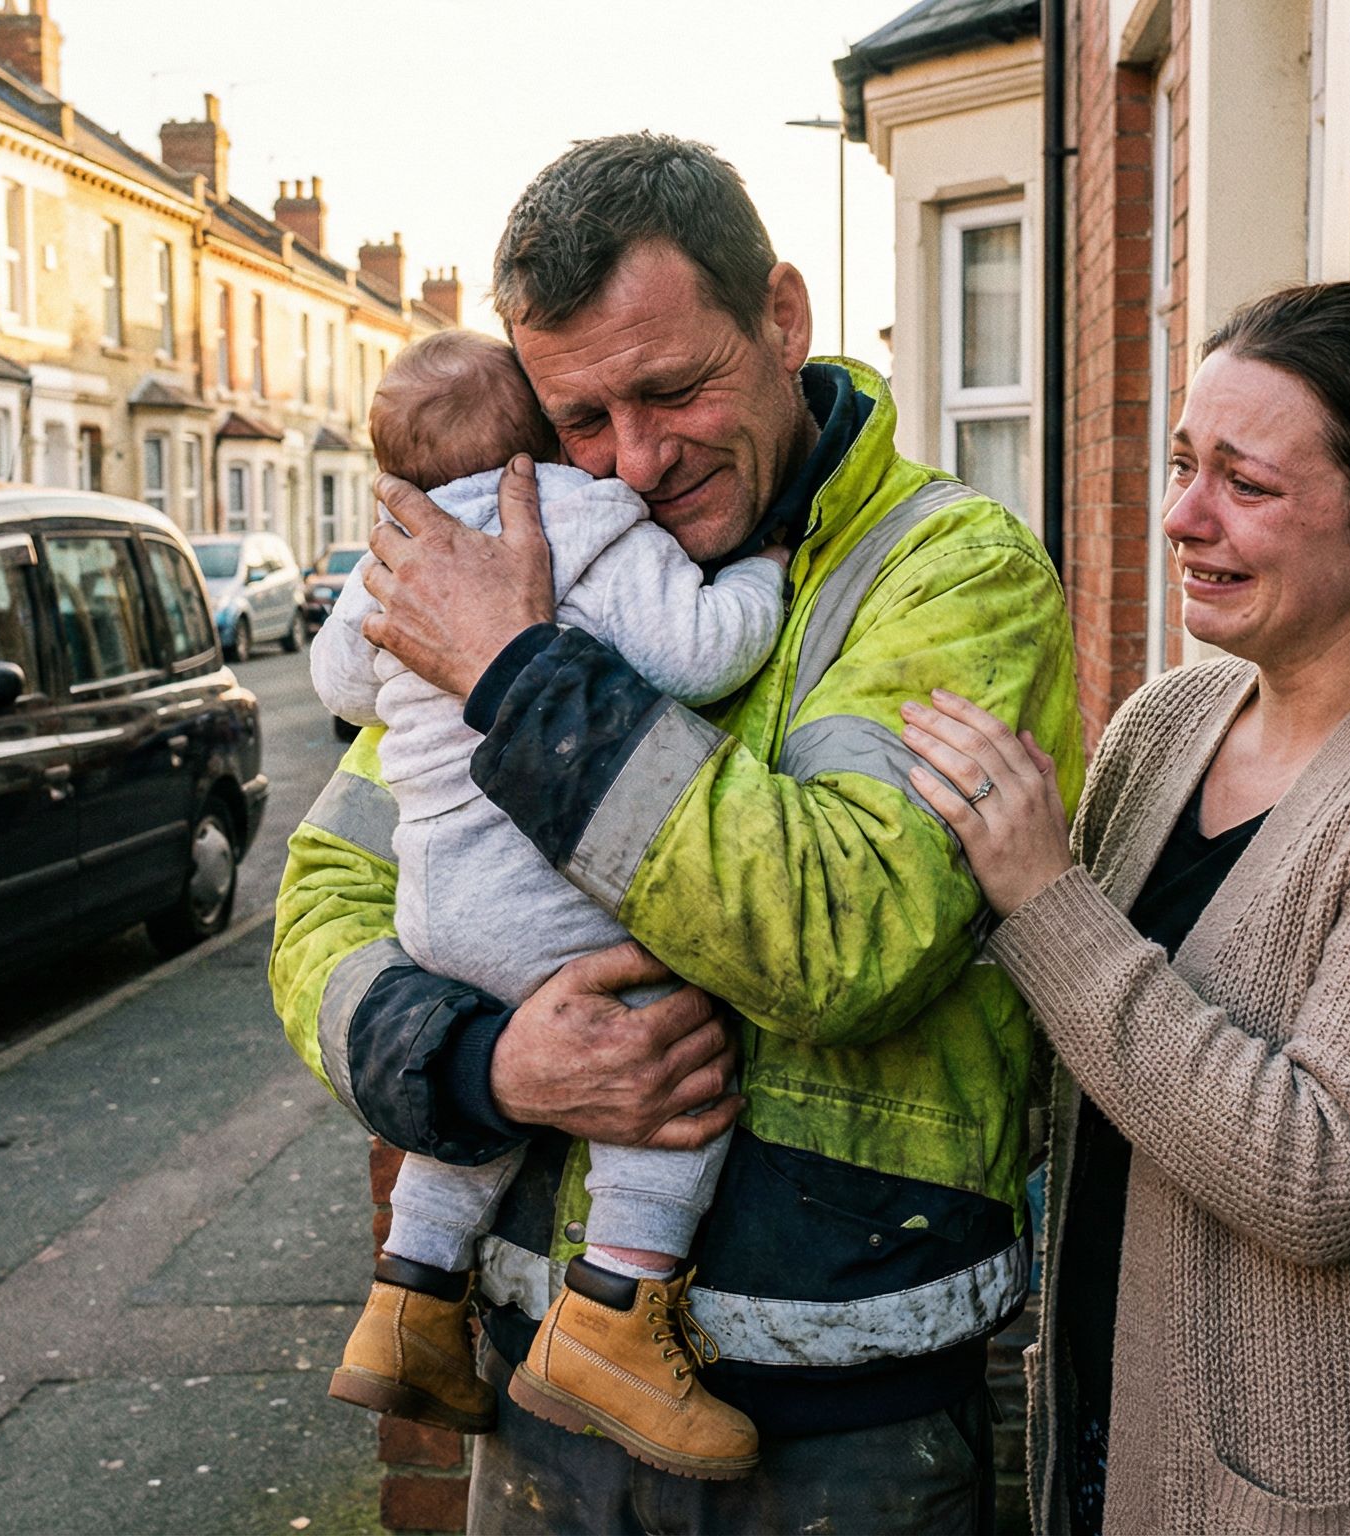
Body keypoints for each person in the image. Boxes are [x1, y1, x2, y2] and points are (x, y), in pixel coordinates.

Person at [267, 131, 1082, 1532]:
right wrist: (486, 1059)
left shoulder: (951, 574)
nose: (633, 463)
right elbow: (327, 907)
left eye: (674, 388)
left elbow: (852, 940)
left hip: (837, 1422)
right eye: (581, 420)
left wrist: (521, 680)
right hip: (540, 1387)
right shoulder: (515, 558)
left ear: (781, 316)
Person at [899, 282, 1350, 1535]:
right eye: (1182, 467)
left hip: (1341, 1496)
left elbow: (1319, 1174)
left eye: (1245, 485)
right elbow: (1083, 1053)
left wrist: (1043, 896)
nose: (1182, 517)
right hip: (1120, 1425)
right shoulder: (1171, 724)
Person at [309, 328, 788, 1478]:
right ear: (543, 444)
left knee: (481, 1092)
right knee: (670, 1052)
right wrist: (766, 568)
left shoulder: (394, 555)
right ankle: (618, 1314)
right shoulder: (579, 517)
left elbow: (335, 685)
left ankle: (411, 1301)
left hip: (434, 915)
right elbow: (706, 650)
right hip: (552, 897)